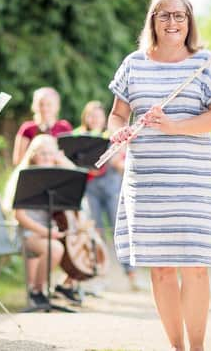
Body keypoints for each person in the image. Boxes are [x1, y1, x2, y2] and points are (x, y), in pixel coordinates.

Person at [107, 0, 211, 351]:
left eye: (180, 15)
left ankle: (197, 348)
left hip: (192, 181)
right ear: (153, 21)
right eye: (164, 15)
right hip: (147, 181)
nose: (172, 22)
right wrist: (117, 131)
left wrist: (174, 125)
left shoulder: (206, 63)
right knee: (161, 269)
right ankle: (177, 348)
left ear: (189, 21)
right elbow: (118, 114)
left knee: (195, 267)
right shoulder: (133, 63)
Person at [4, 134, 79, 307]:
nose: (46, 157)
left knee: (75, 244)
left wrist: (61, 159)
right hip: (26, 232)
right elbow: (19, 216)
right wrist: (48, 233)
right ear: (33, 155)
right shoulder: (25, 177)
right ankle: (37, 291)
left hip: (48, 232)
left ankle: (55, 288)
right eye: (42, 153)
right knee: (56, 248)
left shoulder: (56, 178)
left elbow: (76, 176)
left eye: (50, 154)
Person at [73, 101, 139, 289]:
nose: (94, 119)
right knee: (95, 231)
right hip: (89, 187)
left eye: (98, 115)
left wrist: (117, 159)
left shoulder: (112, 135)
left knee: (119, 228)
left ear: (104, 118)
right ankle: (98, 276)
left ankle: (131, 274)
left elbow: (122, 162)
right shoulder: (78, 135)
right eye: (90, 115)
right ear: (85, 117)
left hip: (111, 185)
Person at [12, 86, 72, 166]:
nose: (44, 108)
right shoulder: (27, 128)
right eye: (41, 104)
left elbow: (71, 156)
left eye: (49, 104)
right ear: (34, 106)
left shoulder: (64, 127)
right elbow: (18, 160)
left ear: (57, 106)